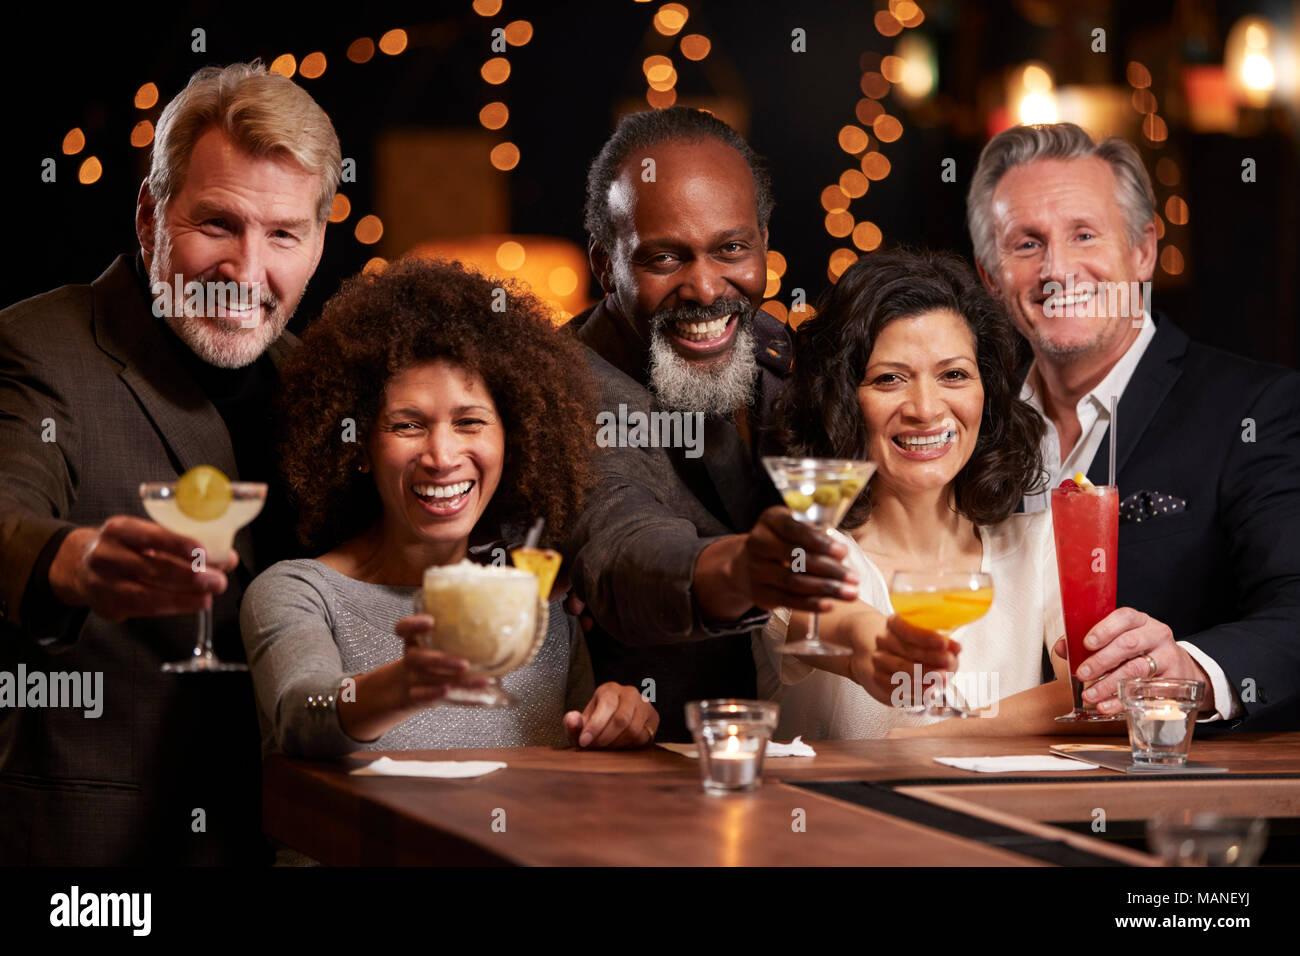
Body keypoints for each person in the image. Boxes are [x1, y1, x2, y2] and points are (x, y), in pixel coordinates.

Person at [0, 62, 340, 864]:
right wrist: (73, 561)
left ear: (319, 240)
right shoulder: (38, 347)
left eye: (283, 234)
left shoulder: (320, 381)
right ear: (152, 216)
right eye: (218, 225)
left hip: (284, 839)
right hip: (92, 857)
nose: (246, 271)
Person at [241, 258, 658, 758]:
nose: (442, 458)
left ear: (514, 438)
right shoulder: (299, 593)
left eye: (470, 423)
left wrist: (614, 719)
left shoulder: (535, 600)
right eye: (407, 425)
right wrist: (406, 684)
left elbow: (573, 767)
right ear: (357, 449)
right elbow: (300, 717)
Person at [968, 123, 1300, 730]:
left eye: (1085, 234)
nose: (1057, 269)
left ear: (1143, 250)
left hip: (1166, 801)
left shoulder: (1257, 408)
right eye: (1026, 244)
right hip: (974, 789)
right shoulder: (964, 425)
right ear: (991, 277)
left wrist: (1191, 673)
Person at [757, 249, 1076, 739]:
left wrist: (930, 740)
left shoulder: (1040, 544)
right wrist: (877, 647)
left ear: (986, 392)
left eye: (954, 375)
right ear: (844, 400)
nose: (926, 409)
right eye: (889, 379)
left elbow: (1099, 694)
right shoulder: (804, 549)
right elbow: (848, 628)